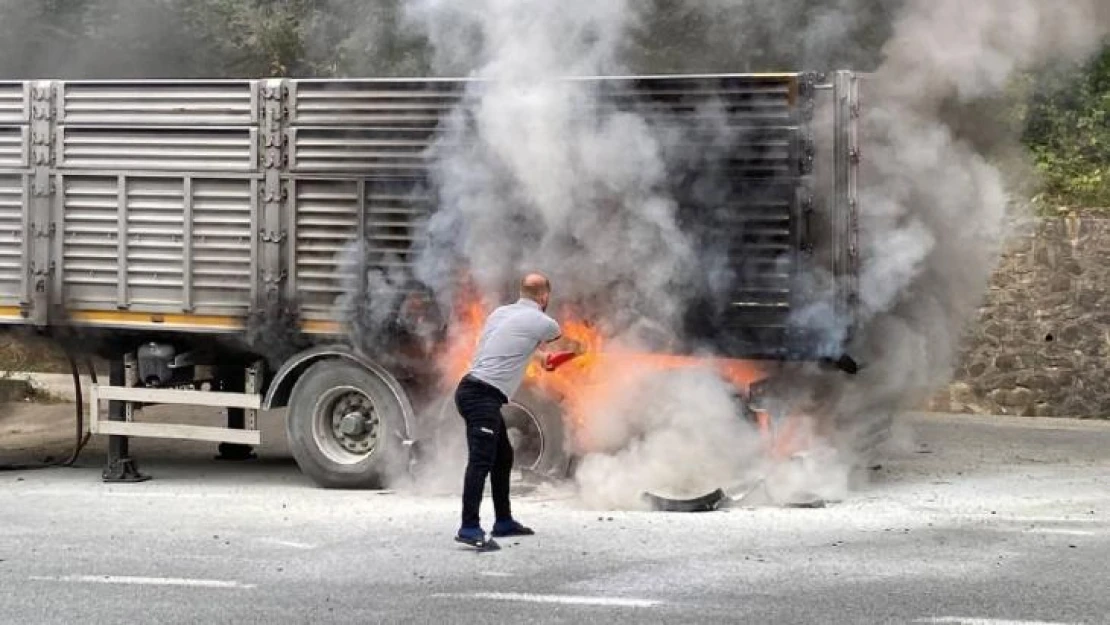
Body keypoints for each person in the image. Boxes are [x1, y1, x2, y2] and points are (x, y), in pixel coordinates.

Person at [453, 272, 578, 550]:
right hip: (481, 395)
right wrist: (579, 349)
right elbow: (569, 344)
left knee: (503, 457)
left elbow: (515, 345)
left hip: (473, 390)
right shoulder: (544, 322)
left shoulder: (501, 313)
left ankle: (503, 521)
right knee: (480, 462)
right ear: (545, 297)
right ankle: (469, 527)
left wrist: (542, 358)